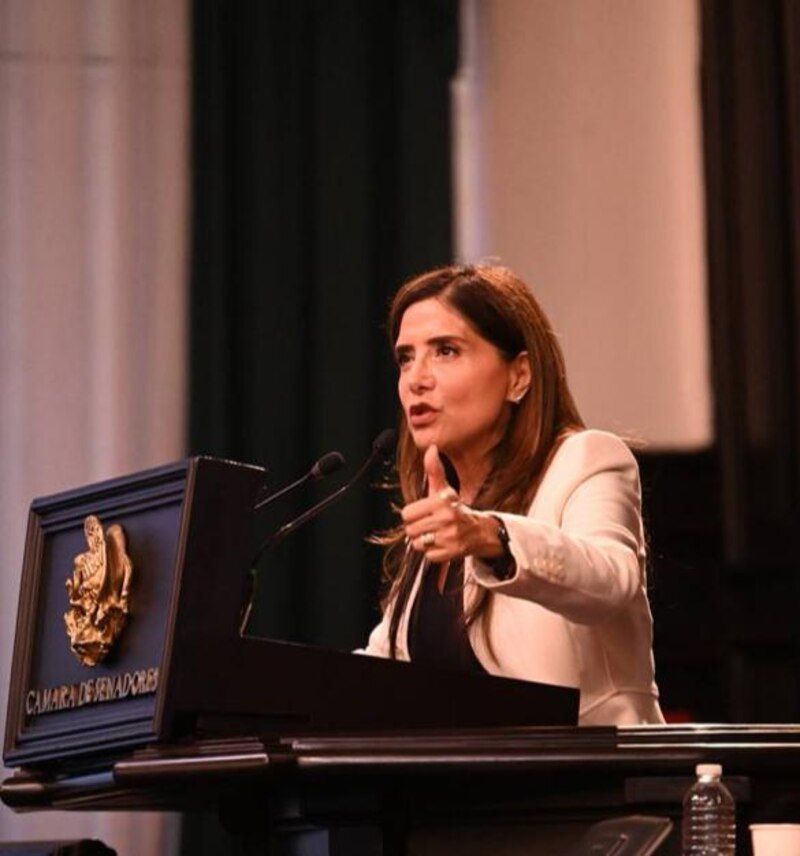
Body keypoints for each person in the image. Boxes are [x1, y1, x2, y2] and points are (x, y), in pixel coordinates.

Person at [362, 264, 665, 726]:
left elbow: (611, 579)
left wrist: (492, 538)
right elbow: (374, 673)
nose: (416, 379)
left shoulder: (586, 460)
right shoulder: (444, 508)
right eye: (405, 358)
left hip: (593, 785)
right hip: (472, 793)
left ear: (519, 376)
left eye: (445, 351)